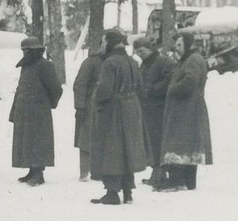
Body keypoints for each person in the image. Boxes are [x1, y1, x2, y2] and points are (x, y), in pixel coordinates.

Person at [88, 29, 148, 205]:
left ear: (109, 42)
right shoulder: (132, 61)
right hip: (132, 108)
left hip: (113, 110)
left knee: (111, 149)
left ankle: (112, 192)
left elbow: (104, 91)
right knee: (128, 149)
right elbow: (140, 87)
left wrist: (97, 100)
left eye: (104, 41)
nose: (102, 45)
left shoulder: (110, 63)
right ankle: (128, 192)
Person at [156, 31, 213, 192]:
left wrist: (172, 89)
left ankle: (176, 180)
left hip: (187, 109)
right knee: (189, 143)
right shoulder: (189, 59)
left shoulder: (193, 60)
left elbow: (190, 81)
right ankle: (188, 181)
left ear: (188, 45)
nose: (177, 48)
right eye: (176, 45)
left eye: (180, 45)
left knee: (180, 141)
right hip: (187, 108)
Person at [10, 37, 63, 186]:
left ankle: (38, 173)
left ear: (33, 51)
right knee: (27, 141)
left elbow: (56, 89)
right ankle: (32, 171)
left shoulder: (45, 66)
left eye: (26, 50)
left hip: (39, 111)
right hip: (25, 110)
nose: (24, 53)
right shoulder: (26, 66)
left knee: (38, 141)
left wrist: (48, 104)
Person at [134, 36, 175, 186]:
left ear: (150, 49)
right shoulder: (145, 64)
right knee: (151, 142)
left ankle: (161, 172)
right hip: (148, 109)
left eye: (141, 50)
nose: (139, 54)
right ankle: (155, 171)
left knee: (159, 141)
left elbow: (170, 80)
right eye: (137, 51)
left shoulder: (163, 62)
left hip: (160, 108)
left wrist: (152, 89)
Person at [72, 47, 104, 182]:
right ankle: (84, 172)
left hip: (107, 106)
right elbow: (80, 84)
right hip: (90, 106)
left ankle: (102, 171)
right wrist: (80, 106)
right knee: (86, 138)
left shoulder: (114, 61)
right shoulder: (91, 62)